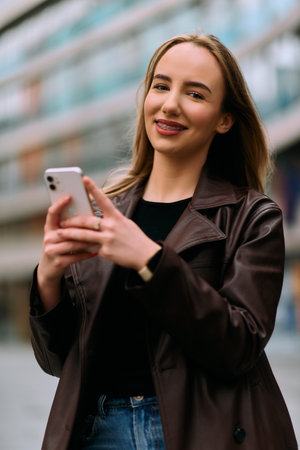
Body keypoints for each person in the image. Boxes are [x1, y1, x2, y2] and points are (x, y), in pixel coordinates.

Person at [29, 33, 298, 450]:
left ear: (224, 119)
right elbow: (58, 361)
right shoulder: (106, 212)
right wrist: (48, 277)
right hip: (94, 430)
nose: (170, 103)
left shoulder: (253, 216)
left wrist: (150, 261)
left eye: (195, 93)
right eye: (161, 85)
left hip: (198, 433)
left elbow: (239, 347)